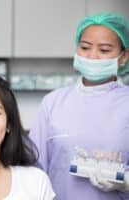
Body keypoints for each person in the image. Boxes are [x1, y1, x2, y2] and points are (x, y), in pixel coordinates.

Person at [30, 13, 129, 200]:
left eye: (105, 50)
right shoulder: (53, 103)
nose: (92, 56)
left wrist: (126, 183)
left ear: (124, 56)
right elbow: (35, 168)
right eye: (85, 47)